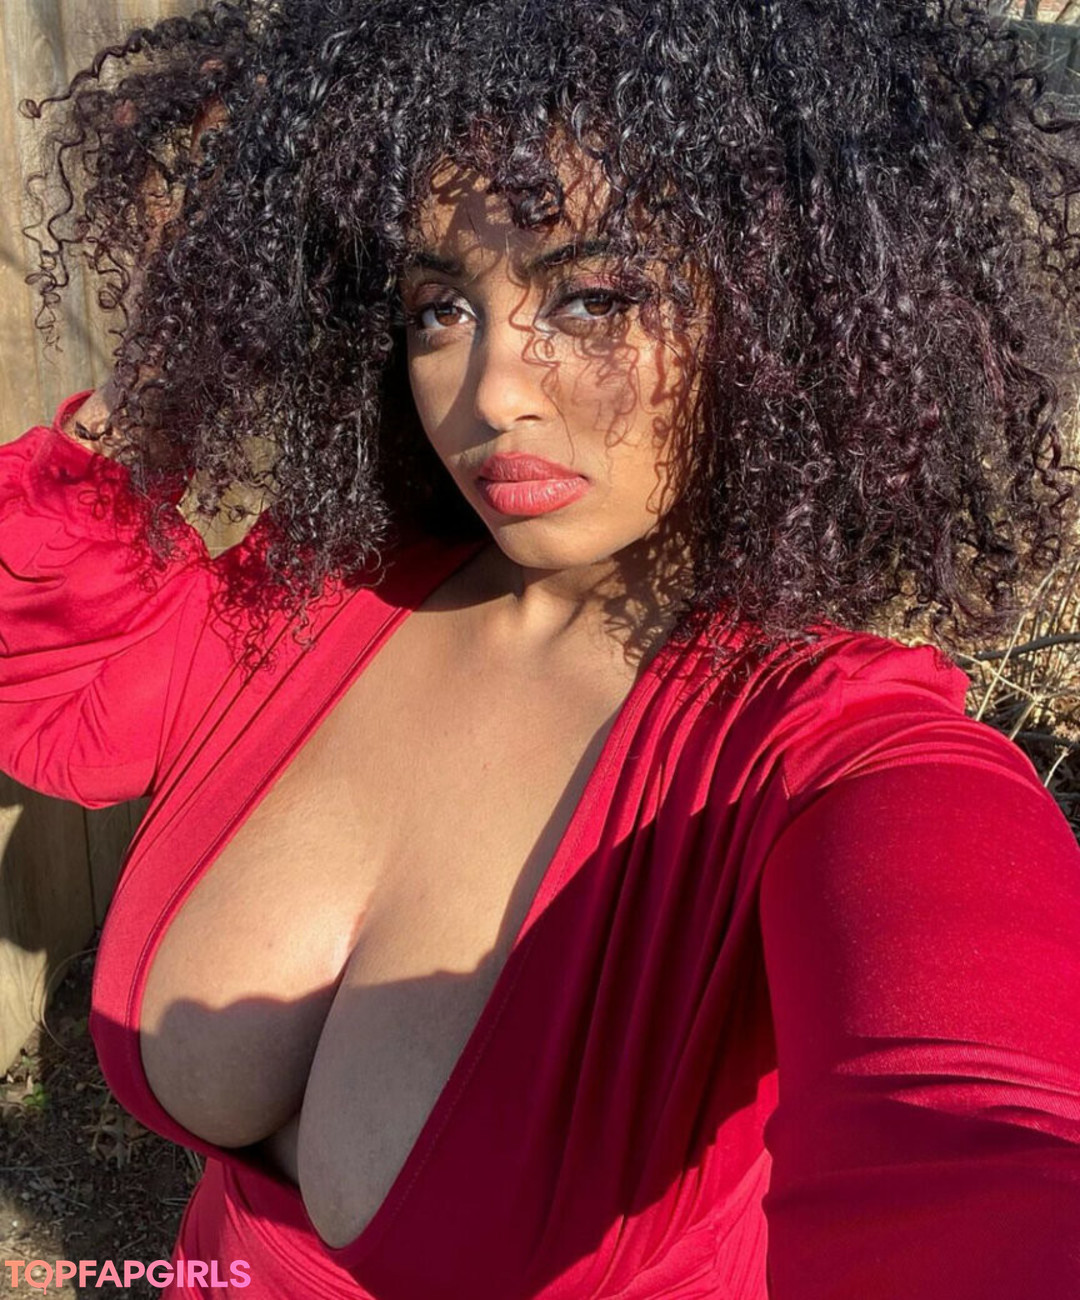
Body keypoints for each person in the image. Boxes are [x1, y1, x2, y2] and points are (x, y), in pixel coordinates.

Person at [2, 1, 1080, 1295]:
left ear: (787, 315)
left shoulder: (830, 758)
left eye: (594, 295)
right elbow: (62, 704)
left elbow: (978, 1139)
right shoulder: (335, 597)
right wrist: (187, 336)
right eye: (439, 308)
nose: (493, 391)